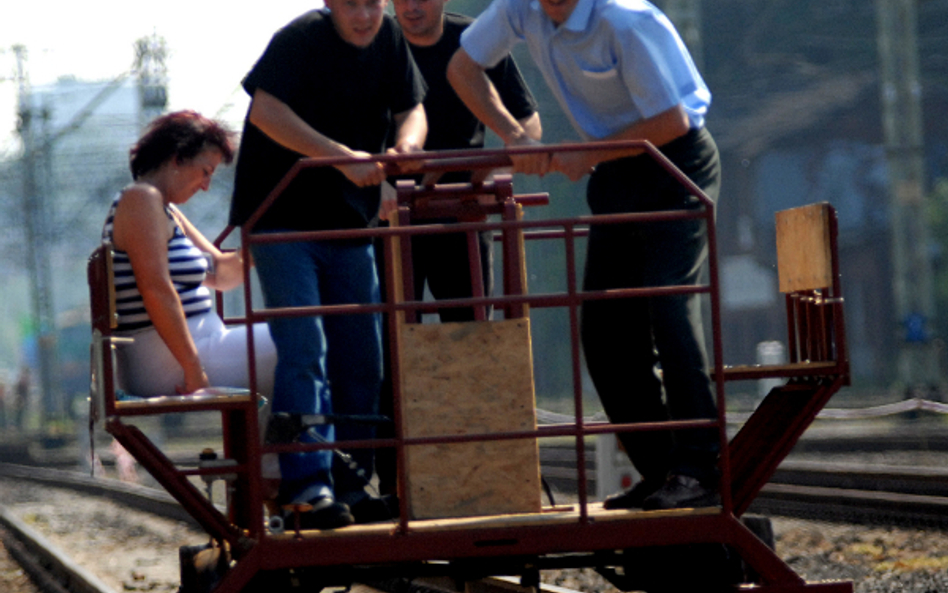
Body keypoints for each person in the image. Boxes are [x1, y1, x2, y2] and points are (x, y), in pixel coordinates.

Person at [448, 0, 722, 510]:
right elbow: (462, 67)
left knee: (669, 305)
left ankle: (701, 467)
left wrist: (586, 153)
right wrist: (512, 135)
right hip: (618, 174)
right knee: (604, 331)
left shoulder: (626, 21)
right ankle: (663, 470)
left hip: (674, 164)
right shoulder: (521, 9)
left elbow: (671, 120)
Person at [229, 0, 427, 529]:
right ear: (328, 4)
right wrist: (339, 155)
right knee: (305, 349)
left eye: (372, 3)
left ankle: (351, 484)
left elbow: (412, 105)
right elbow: (266, 112)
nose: (363, 15)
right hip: (283, 221)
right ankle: (306, 488)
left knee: (363, 355)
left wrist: (407, 144)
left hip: (348, 224)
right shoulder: (299, 39)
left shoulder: (388, 38)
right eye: (350, 4)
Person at [102, 110, 276, 403]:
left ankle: (276, 444)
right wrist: (193, 367)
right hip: (168, 361)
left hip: (196, 349)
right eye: (205, 171)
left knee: (306, 337)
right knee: (306, 341)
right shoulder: (141, 200)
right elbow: (155, 288)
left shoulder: (164, 210)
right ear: (178, 159)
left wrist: (274, 242)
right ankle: (297, 445)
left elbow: (221, 272)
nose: (206, 185)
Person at [389, 0, 541, 323]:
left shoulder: (473, 41)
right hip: (391, 216)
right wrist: (375, 194)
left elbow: (528, 123)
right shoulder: (376, 45)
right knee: (389, 344)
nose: (411, 7)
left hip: (464, 211)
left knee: (472, 337)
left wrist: (493, 177)